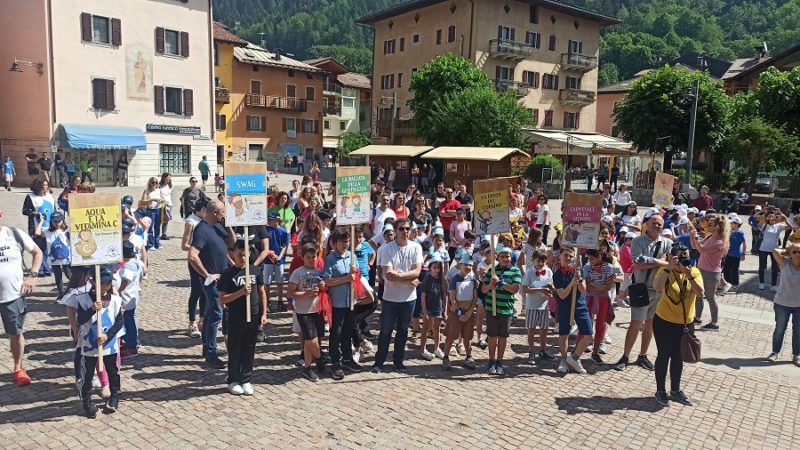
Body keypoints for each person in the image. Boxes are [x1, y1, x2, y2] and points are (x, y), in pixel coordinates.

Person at [614, 210, 672, 371]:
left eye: (660, 224)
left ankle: (643, 355)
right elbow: (638, 264)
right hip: (641, 288)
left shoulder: (667, 243)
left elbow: (671, 264)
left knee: (650, 324)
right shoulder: (638, 241)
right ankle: (625, 356)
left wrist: (653, 261)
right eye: (654, 223)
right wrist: (660, 262)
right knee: (636, 323)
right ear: (647, 224)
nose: (657, 226)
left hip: (658, 290)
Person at [651, 244, 704, 407]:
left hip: (685, 324)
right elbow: (657, 287)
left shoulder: (694, 272)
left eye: (686, 256)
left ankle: (675, 390)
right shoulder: (665, 271)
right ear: (672, 257)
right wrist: (668, 268)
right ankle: (660, 390)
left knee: (678, 357)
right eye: (680, 256)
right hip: (664, 321)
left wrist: (689, 274)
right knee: (663, 355)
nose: (683, 259)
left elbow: (700, 293)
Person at [373, 217, 423, 374]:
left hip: (409, 298)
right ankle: (379, 362)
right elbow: (388, 275)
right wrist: (409, 278)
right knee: (386, 331)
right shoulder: (386, 249)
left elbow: (417, 272)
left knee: (403, 331)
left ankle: (398, 362)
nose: (405, 231)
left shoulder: (416, 247)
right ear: (395, 231)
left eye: (407, 228)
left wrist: (400, 276)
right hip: (390, 298)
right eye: (401, 229)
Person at [188, 199, 235, 369]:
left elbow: (232, 244)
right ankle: (211, 353)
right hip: (211, 281)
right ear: (214, 212)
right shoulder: (201, 229)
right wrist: (206, 275)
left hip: (223, 279)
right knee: (216, 314)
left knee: (209, 314)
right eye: (223, 211)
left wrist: (229, 225)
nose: (225, 214)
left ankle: (207, 346)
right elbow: (192, 255)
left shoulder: (218, 227)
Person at [218, 239, 268, 395]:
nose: (243, 258)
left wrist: (264, 313)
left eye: (245, 255)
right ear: (233, 254)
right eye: (240, 255)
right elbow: (222, 299)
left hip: (253, 315)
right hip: (236, 316)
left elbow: (262, 292)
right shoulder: (227, 274)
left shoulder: (255, 271)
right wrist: (240, 293)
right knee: (235, 349)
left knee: (249, 349)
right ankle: (233, 380)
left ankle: (246, 379)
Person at [74, 267, 124, 417]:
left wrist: (108, 336)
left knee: (113, 372)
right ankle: (87, 402)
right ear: (93, 282)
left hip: (108, 345)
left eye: (108, 283)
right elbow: (80, 320)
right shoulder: (83, 299)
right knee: (87, 375)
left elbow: (119, 322)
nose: (105, 286)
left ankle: (114, 397)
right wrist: (91, 309)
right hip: (89, 345)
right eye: (102, 283)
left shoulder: (115, 300)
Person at [0, 209, 43, 386]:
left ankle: (18, 368)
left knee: (15, 333)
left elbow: (37, 252)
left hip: (12, 295)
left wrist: (32, 276)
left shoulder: (14, 234)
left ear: (0, 215)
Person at [322, 228, 361, 380]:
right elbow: (327, 281)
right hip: (337, 302)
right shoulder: (330, 259)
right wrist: (345, 278)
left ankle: (347, 358)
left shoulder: (352, 256)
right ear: (335, 243)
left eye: (347, 241)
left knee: (348, 331)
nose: (346, 244)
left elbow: (357, 276)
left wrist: (355, 272)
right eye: (343, 241)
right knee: (336, 333)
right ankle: (335, 362)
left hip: (350, 301)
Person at [288, 243, 326, 381]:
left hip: (318, 310)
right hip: (303, 311)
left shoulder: (319, 272)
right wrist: (306, 293)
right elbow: (290, 293)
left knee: (309, 343)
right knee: (311, 340)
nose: (311, 259)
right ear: (303, 257)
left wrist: (323, 287)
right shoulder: (297, 273)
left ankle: (307, 367)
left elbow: (324, 291)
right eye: (308, 257)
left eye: (313, 257)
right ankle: (321, 358)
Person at [552, 246, 593, 374]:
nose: (568, 258)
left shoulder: (579, 271)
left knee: (588, 335)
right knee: (564, 335)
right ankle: (564, 360)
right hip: (564, 307)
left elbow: (583, 289)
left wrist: (579, 279)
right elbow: (562, 295)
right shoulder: (557, 275)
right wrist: (571, 284)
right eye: (566, 255)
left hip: (580, 306)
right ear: (560, 256)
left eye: (571, 256)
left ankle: (574, 358)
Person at [481, 245, 521, 375]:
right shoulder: (492, 270)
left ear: (511, 257)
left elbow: (515, 289)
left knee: (503, 337)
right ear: (498, 257)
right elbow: (483, 290)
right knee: (492, 337)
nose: (505, 259)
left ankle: (500, 362)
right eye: (502, 256)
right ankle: (491, 361)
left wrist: (501, 283)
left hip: (506, 310)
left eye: (507, 256)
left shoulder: (515, 271)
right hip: (491, 308)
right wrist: (490, 285)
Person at [688, 214, 729, 330]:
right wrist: (692, 236)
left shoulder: (720, 242)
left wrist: (695, 237)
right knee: (698, 294)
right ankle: (697, 318)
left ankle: (714, 323)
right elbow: (695, 247)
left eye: (711, 224)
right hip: (701, 269)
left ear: (718, 227)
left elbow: (702, 250)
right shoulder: (710, 237)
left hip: (711, 273)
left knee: (710, 298)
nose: (708, 226)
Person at [442, 254, 478, 370]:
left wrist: (469, 312)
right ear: (460, 265)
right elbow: (452, 298)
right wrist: (459, 312)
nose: (468, 267)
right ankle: (446, 357)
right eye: (465, 265)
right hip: (456, 312)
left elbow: (474, 298)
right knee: (451, 335)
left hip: (468, 313)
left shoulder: (473, 280)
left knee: (467, 336)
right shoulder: (454, 279)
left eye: (470, 265)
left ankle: (468, 356)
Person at [582, 247, 617, 365]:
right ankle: (578, 350)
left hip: (602, 299)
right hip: (589, 298)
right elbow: (585, 284)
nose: (590, 261)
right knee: (585, 322)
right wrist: (598, 286)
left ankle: (595, 352)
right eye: (589, 258)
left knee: (600, 325)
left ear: (600, 257)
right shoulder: (586, 267)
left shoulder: (609, 268)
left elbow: (607, 287)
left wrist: (592, 285)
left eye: (592, 258)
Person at [767, 243, 800, 366]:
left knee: (798, 331)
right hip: (782, 304)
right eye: (795, 252)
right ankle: (775, 352)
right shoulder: (785, 263)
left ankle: (797, 355)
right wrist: (788, 251)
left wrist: (793, 251)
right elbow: (775, 251)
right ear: (789, 254)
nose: (798, 254)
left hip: (799, 306)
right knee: (780, 329)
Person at [522, 249, 554, 365]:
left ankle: (543, 350)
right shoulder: (529, 272)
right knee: (531, 329)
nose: (541, 263)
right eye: (538, 261)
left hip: (544, 306)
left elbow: (551, 285)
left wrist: (550, 287)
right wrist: (541, 289)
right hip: (532, 306)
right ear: (533, 260)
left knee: (544, 329)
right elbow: (525, 289)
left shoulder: (548, 271)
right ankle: (531, 351)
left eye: (543, 261)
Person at [22, 178, 55, 277]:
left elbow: (54, 210)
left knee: (46, 249)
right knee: (39, 248)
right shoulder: (31, 197)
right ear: (38, 186)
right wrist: (35, 213)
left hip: (49, 227)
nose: (46, 187)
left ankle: (46, 268)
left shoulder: (49, 196)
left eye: (47, 185)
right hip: (37, 227)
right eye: (44, 185)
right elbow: (25, 211)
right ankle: (40, 269)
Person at [35, 211, 71, 299]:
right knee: (58, 277)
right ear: (51, 222)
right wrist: (41, 221)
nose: (56, 223)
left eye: (59, 221)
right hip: (53, 258)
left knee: (69, 275)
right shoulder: (47, 231)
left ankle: (74, 291)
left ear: (62, 220)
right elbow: (37, 233)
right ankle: (61, 294)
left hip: (66, 258)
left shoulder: (66, 230)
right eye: (54, 221)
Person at [118, 241, 145, 358]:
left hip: (126, 297)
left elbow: (125, 281)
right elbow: (142, 275)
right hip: (133, 294)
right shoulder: (137, 262)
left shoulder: (128, 266)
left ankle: (131, 346)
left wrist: (117, 291)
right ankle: (130, 343)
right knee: (130, 319)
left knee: (128, 322)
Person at [419, 253, 446, 361]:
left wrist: (445, 310)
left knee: (437, 329)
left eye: (438, 268)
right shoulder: (427, 279)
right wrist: (425, 312)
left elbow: (445, 295)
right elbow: (423, 297)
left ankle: (436, 348)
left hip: (438, 308)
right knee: (425, 328)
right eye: (434, 267)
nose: (436, 270)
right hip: (428, 309)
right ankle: (423, 349)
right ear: (430, 267)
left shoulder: (442, 280)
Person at [757, 209, 788, 291]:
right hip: (763, 249)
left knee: (775, 268)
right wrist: (766, 218)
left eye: (775, 216)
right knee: (762, 266)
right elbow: (758, 225)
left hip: (774, 249)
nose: (773, 217)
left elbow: (790, 226)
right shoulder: (765, 225)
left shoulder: (779, 226)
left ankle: (773, 285)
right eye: (772, 216)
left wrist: (781, 213)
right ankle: (761, 283)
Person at [264, 212, 289, 310]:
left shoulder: (283, 231)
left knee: (280, 282)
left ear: (276, 219)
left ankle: (280, 301)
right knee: (267, 282)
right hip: (267, 260)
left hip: (279, 260)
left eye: (271, 219)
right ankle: (267, 302)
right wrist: (269, 254)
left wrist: (280, 256)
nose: (269, 221)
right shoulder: (265, 229)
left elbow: (284, 245)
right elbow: (263, 245)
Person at [721, 216, 746, 293]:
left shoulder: (740, 233)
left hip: (735, 255)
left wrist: (743, 254)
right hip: (728, 254)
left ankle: (735, 285)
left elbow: (744, 244)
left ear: (737, 224)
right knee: (726, 270)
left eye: (732, 223)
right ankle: (728, 284)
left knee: (734, 270)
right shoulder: (729, 232)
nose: (730, 225)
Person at [141, 177, 165, 250]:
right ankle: (150, 244)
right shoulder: (147, 191)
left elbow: (163, 199)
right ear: (150, 183)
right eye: (153, 182)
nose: (155, 184)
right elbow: (143, 201)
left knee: (157, 227)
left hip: (158, 209)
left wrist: (161, 200)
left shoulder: (159, 190)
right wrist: (152, 199)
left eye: (156, 183)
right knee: (150, 227)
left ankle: (157, 243)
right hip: (150, 210)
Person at [159, 173, 173, 240]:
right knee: (159, 219)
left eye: (170, 177)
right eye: (168, 177)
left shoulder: (170, 186)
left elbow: (170, 194)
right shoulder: (159, 186)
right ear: (164, 178)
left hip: (169, 204)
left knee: (166, 219)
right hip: (162, 204)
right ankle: (157, 233)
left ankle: (163, 234)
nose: (169, 179)